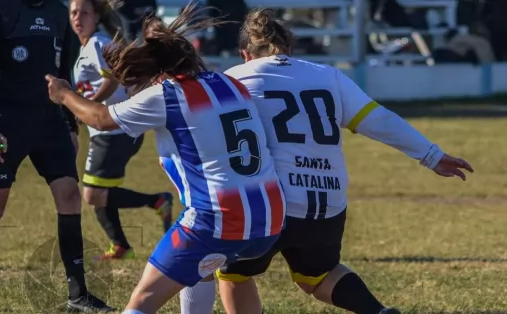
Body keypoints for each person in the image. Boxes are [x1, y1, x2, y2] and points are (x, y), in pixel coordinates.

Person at [179, 8, 475, 314]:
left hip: (268, 204)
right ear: (290, 50)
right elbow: (380, 120)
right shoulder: (327, 75)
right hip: (326, 201)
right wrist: (432, 156)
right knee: (318, 277)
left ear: (245, 54)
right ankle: (378, 312)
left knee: (233, 275)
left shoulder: (232, 80)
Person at [45, 5, 285, 314]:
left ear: (157, 70)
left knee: (142, 301)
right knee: (198, 270)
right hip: (269, 221)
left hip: (216, 221)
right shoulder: (231, 84)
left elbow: (101, 118)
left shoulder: (168, 95)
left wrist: (64, 94)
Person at [0, 0, 113, 311]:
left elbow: (63, 76)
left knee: (70, 196)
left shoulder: (58, 13)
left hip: (49, 122)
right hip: (7, 124)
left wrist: (70, 123)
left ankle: (77, 295)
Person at [69, 0, 173, 260]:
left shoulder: (95, 43)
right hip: (114, 129)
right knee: (100, 191)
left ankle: (158, 201)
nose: (77, 18)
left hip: (113, 130)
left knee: (93, 193)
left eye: (84, 12)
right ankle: (120, 246)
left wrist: (87, 106)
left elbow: (112, 78)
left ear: (96, 17)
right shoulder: (96, 43)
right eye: (73, 12)